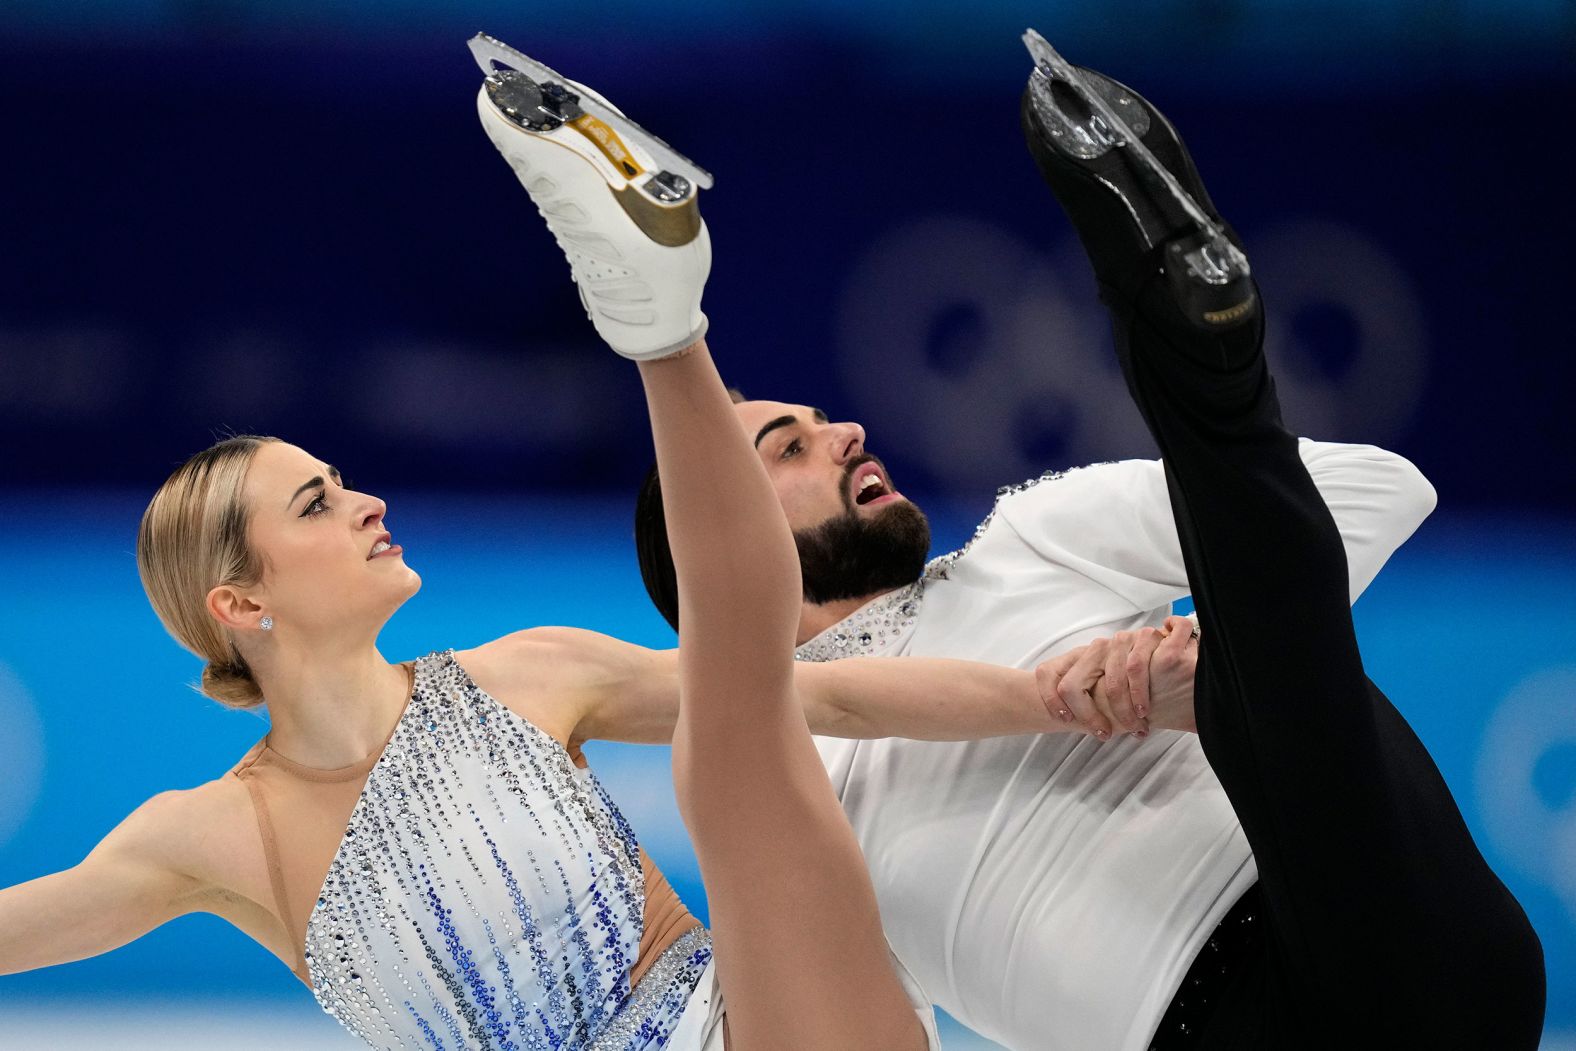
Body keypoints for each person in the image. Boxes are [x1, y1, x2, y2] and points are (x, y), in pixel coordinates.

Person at [0, 36, 1194, 1051]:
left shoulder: (524, 676)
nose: (364, 505)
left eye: (343, 481)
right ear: (239, 604)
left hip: (765, 1019)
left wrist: (1068, 696)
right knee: (741, 695)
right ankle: (655, 313)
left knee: (743, 700)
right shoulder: (203, 837)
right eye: (314, 506)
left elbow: (838, 698)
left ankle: (659, 316)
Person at [633, 32, 1545, 1051]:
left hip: (1382, 906)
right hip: (1220, 1036)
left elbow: (1382, 490)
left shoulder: (1032, 535)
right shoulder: (776, 782)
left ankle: (1192, 333)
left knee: (1253, 638)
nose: (843, 430)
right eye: (788, 445)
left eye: (819, 419)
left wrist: (1186, 653)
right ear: (715, 544)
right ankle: (1203, 376)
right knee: (1254, 639)